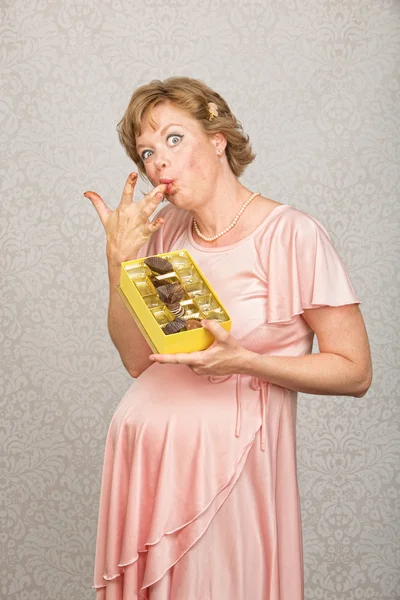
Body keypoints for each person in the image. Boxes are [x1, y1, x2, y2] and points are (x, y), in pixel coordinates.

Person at [84, 76, 372, 600]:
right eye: (147, 151)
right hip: (148, 467)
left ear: (218, 139)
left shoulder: (291, 235)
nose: (158, 163)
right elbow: (136, 359)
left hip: (228, 476)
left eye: (174, 139)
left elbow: (355, 371)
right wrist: (119, 260)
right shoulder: (166, 233)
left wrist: (246, 361)